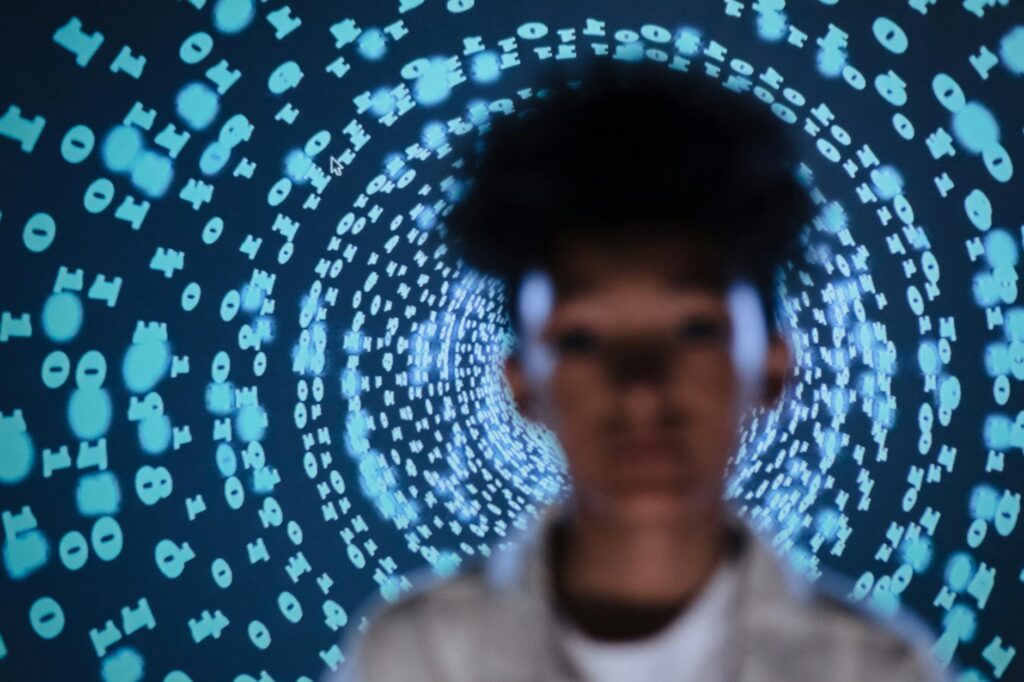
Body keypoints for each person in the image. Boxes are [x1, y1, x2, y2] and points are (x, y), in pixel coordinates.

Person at [324, 57, 951, 682]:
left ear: (771, 366)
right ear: (520, 383)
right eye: (583, 340)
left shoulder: (874, 668)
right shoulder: (412, 659)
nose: (642, 391)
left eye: (696, 330)